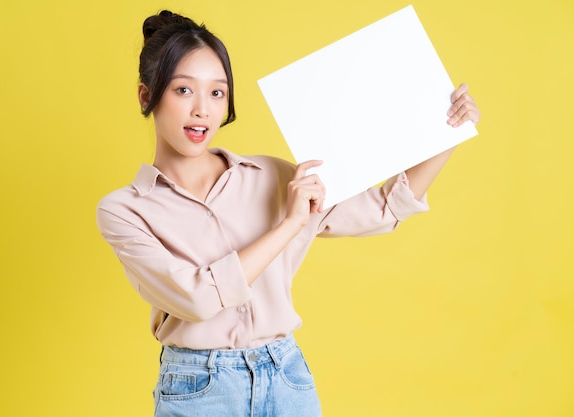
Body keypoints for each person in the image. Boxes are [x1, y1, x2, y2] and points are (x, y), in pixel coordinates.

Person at [96, 10, 480, 417]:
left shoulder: (273, 175)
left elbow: (380, 210)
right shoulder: (125, 211)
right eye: (183, 90)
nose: (202, 111)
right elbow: (198, 298)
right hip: (199, 389)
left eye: (217, 93)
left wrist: (449, 135)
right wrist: (291, 224)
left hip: (286, 378)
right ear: (146, 95)